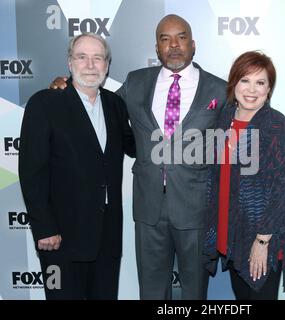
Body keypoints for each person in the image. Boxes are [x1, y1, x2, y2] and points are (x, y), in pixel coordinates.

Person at [50, 14, 227, 299]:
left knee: (194, 291)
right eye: (164, 39)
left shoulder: (219, 89)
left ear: (193, 44)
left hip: (196, 208)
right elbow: (97, 103)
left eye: (181, 37)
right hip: (148, 207)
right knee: (152, 289)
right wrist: (66, 86)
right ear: (156, 48)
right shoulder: (136, 82)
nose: (173, 45)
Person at [19, 33, 135, 299]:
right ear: (69, 63)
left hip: (107, 237)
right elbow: (31, 171)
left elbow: (136, 145)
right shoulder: (44, 103)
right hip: (59, 239)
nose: (90, 65)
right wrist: (45, 227)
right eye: (82, 57)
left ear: (107, 65)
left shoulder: (115, 105)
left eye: (98, 58)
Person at [203, 51, 285, 300]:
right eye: (245, 80)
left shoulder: (275, 125)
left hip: (259, 241)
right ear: (234, 83)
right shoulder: (224, 119)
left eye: (260, 82)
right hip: (232, 235)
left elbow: (281, 188)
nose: (251, 89)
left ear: (269, 89)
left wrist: (262, 241)